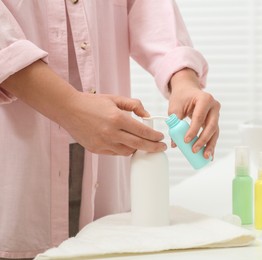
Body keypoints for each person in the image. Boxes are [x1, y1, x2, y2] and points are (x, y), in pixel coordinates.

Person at [0, 0, 220, 259]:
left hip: (104, 169)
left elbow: (151, 10)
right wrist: (70, 108)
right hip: (17, 169)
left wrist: (184, 80)